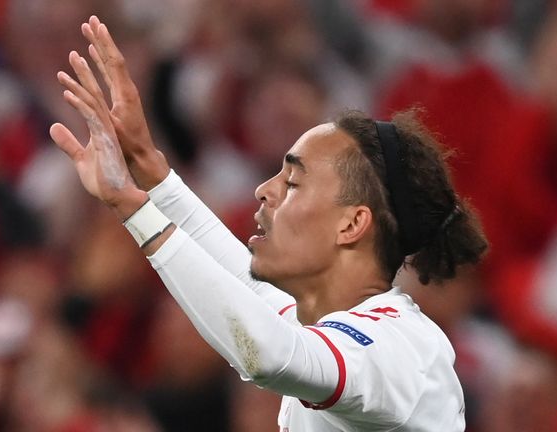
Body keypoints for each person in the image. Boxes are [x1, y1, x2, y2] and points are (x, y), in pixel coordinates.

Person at [49, 15, 487, 431]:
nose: (264, 190)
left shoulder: (401, 349)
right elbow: (250, 292)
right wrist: (150, 172)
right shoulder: (324, 327)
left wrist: (137, 212)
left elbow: (267, 353)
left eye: (293, 182)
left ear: (351, 224)